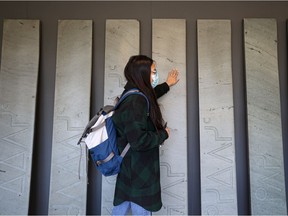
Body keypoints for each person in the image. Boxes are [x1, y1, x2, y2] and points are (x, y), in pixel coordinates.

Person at [111, 55, 179, 215]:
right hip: (139, 172)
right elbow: (139, 141)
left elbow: (150, 95)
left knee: (121, 206)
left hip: (130, 168)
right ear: (142, 74)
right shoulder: (136, 101)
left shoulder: (131, 93)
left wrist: (167, 84)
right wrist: (163, 134)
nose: (155, 75)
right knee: (139, 207)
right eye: (153, 72)